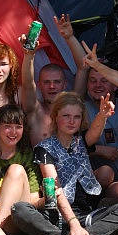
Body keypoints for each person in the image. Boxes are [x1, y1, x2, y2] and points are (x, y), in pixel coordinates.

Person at [10, 92, 118, 235]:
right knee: (19, 209)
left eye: (76, 117)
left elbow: (95, 131)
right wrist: (73, 223)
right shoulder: (44, 148)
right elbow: (56, 188)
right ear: (55, 117)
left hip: (88, 214)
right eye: (66, 115)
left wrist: (102, 115)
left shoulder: (81, 141)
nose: (71, 120)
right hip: (57, 217)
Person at [76, 58, 118, 200]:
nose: (97, 85)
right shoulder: (81, 111)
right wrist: (99, 150)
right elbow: (68, 147)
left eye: (104, 80)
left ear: (116, 85)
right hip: (109, 186)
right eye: (92, 80)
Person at [0, 104, 41, 231]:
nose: (13, 132)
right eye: (7, 126)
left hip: (14, 219)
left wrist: (46, 201)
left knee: (16, 170)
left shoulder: (27, 156)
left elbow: (32, 200)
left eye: (18, 127)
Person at [21, 14, 87, 146]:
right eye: (46, 82)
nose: (52, 86)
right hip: (40, 166)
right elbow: (28, 84)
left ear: (64, 84)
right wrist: (29, 55)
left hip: (70, 166)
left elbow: (83, 67)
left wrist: (69, 38)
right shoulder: (34, 110)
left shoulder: (73, 105)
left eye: (57, 82)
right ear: (39, 85)